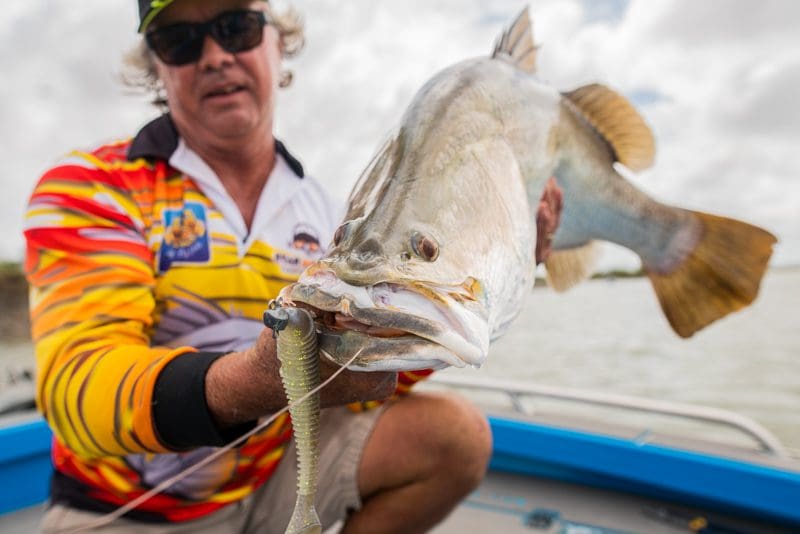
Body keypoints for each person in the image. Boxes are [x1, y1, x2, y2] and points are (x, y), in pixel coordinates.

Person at [24, 1, 563, 532]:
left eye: (236, 27)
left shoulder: (329, 214)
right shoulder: (92, 185)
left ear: (278, 40)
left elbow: (363, 386)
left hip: (272, 480)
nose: (214, 56)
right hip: (122, 509)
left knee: (456, 437)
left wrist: (480, 280)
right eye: (179, 41)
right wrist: (255, 382)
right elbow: (78, 390)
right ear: (155, 66)